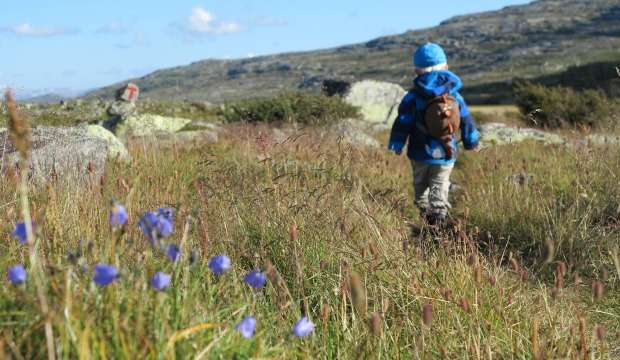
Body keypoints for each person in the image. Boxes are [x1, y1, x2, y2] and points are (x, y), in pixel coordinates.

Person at [388, 43, 480, 226]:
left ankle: (423, 211)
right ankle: (437, 220)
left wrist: (396, 144)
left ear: (416, 70)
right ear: (446, 67)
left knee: (420, 185)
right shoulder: (454, 94)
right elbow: (467, 120)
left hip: (419, 152)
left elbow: (403, 122)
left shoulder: (412, 97)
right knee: (440, 183)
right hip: (447, 152)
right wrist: (472, 142)